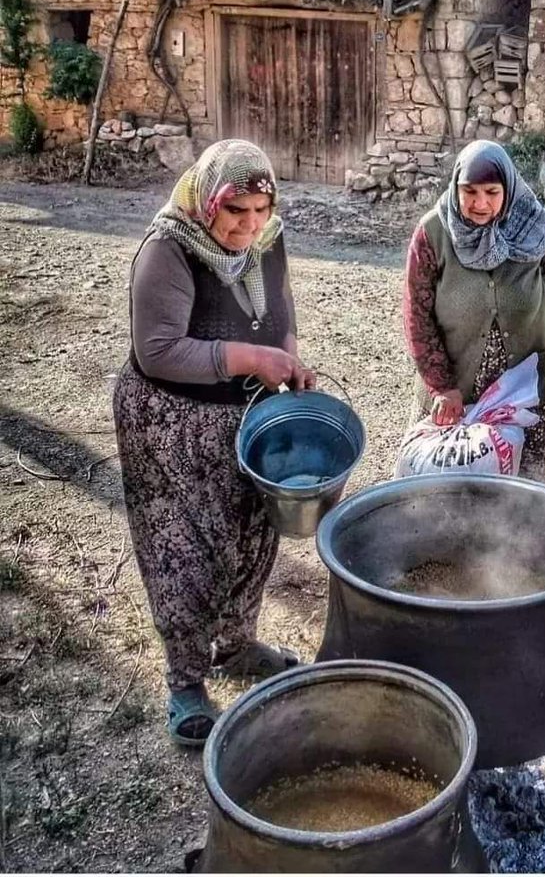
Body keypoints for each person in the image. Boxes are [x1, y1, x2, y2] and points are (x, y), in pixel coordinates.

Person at [113, 139, 315, 747]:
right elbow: (159, 351)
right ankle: (185, 682)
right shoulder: (168, 249)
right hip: (171, 423)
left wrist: (289, 360)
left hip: (242, 416)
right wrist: (251, 357)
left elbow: (281, 312)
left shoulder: (269, 238)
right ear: (208, 203)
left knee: (252, 534)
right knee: (186, 548)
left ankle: (235, 644)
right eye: (236, 213)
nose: (249, 227)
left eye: (259, 211)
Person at [403, 140, 545, 480]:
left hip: (521, 394)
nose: (481, 204)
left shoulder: (533, 225)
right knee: (446, 494)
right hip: (454, 392)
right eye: (470, 191)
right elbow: (416, 316)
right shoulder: (433, 233)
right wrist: (441, 386)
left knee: (521, 500)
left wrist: (518, 301)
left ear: (508, 187)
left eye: (492, 192)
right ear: (455, 188)